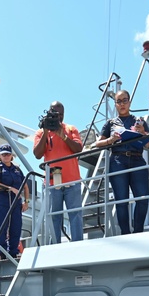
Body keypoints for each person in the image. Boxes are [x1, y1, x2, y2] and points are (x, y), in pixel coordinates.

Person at [93, 90, 149, 234]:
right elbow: (97, 144)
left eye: (125, 100)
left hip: (137, 159)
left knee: (143, 198)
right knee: (121, 201)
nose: (122, 104)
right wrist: (110, 140)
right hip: (118, 160)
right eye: (119, 101)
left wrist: (143, 132)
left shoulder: (140, 121)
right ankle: (125, 233)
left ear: (130, 102)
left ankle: (138, 231)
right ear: (115, 104)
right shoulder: (110, 123)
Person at [33, 101, 84, 243]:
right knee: (53, 216)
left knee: (75, 215)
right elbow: (37, 154)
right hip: (51, 182)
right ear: (49, 112)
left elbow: (78, 148)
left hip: (72, 181)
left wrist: (64, 136)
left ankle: (77, 245)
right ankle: (53, 247)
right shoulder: (40, 132)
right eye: (55, 114)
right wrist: (45, 132)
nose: (58, 118)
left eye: (61, 115)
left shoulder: (71, 128)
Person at [0, 143, 30, 259]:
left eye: (8, 154)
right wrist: (10, 188)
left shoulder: (17, 169)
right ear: (0, 156)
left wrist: (26, 201)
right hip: (2, 201)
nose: (6, 156)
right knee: (1, 227)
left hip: (16, 203)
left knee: (16, 227)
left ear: (12, 155)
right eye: (3, 154)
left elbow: (25, 186)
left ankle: (13, 252)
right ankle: (1, 252)